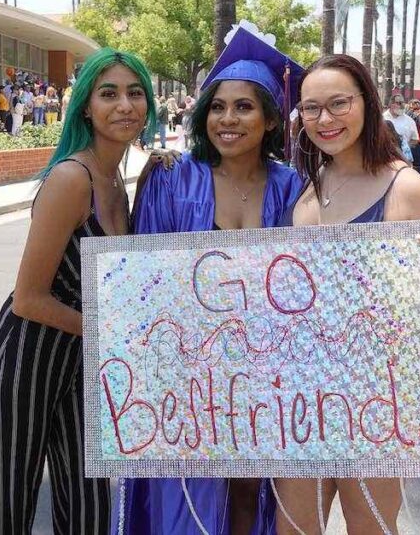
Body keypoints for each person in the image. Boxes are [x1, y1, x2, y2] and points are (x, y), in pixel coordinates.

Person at [116, 26, 306, 535]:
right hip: (188, 370)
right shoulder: (173, 177)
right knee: (189, 491)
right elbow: (145, 283)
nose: (228, 118)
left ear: (269, 119)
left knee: (249, 487)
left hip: (263, 369)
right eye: (217, 106)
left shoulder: (295, 188)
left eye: (244, 107)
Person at [276, 54, 420, 533]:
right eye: (311, 109)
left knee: (370, 524)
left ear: (367, 103)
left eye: (339, 103)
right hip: (303, 388)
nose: (325, 119)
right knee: (294, 525)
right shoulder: (311, 184)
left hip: (374, 393)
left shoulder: (407, 189)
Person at [0, 48, 155, 534]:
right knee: (8, 504)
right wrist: (110, 333)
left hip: (82, 358)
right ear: (85, 107)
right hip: (28, 355)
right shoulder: (71, 178)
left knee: (89, 508)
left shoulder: (118, 181)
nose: (124, 105)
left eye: (135, 93)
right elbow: (27, 299)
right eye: (109, 94)